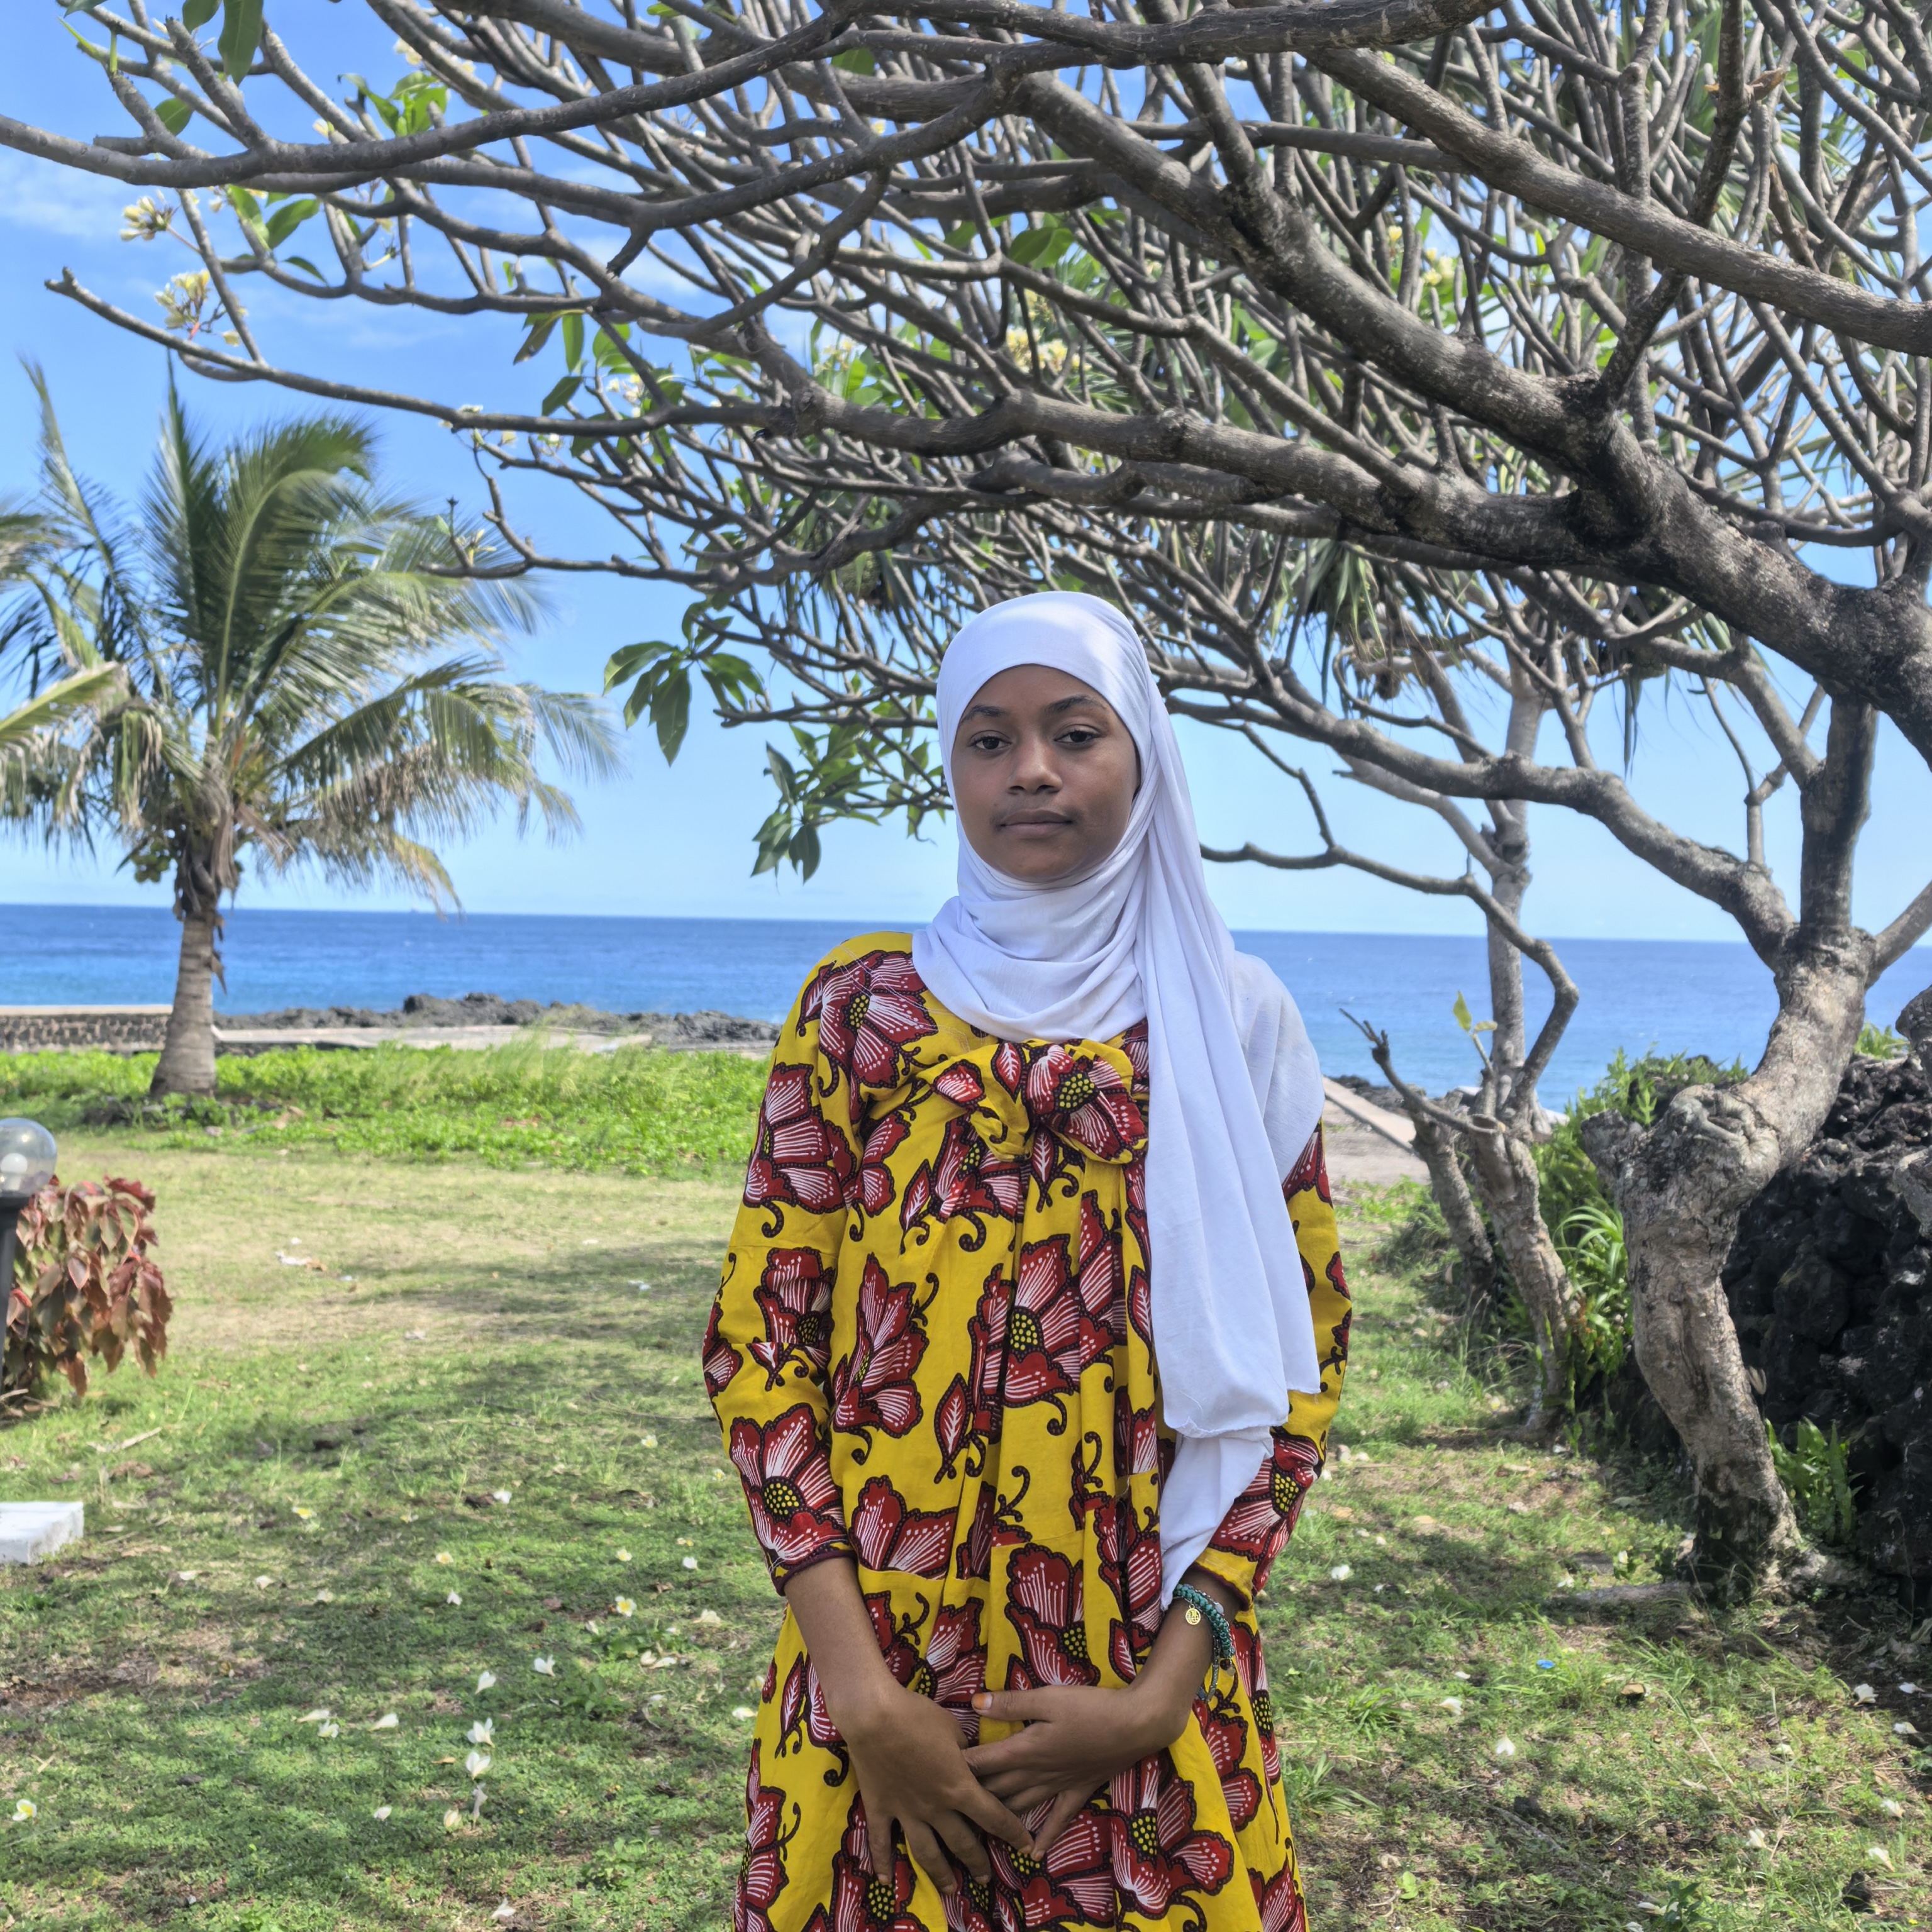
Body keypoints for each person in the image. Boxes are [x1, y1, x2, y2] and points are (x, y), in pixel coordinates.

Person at [705, 592, 1351, 1932]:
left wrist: (1157, 1701)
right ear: (952, 768)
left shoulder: (1233, 1022)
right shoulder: (861, 1012)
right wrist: (863, 1699)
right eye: (989, 740)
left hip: (1135, 1681)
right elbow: (758, 1352)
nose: (1032, 771)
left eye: (1076, 733)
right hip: (883, 1687)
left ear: (1145, 756)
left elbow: (1301, 1379)